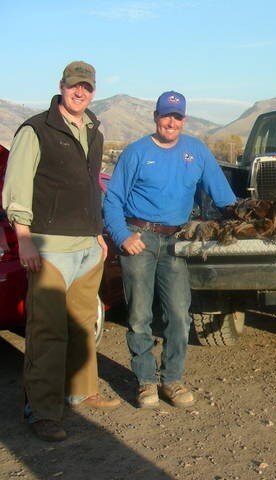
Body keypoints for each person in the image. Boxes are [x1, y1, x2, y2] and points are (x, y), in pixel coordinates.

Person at [2, 61, 121, 442]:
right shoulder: (36, 129)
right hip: (50, 247)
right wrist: (23, 237)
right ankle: (42, 411)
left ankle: (81, 391)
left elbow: (89, 186)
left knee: (83, 325)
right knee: (47, 331)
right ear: (61, 87)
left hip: (87, 245)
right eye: (74, 86)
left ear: (93, 90)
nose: (80, 92)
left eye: (86, 87)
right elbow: (16, 185)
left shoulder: (93, 130)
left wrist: (98, 233)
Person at [103, 91, 236, 409]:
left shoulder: (196, 151)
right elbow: (112, 200)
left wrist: (243, 218)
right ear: (155, 117)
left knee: (179, 315)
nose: (171, 122)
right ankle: (146, 382)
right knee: (139, 315)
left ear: (184, 119)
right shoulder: (136, 153)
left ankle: (171, 379)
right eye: (166, 116)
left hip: (176, 241)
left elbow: (223, 196)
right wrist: (122, 235)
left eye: (177, 117)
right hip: (139, 239)